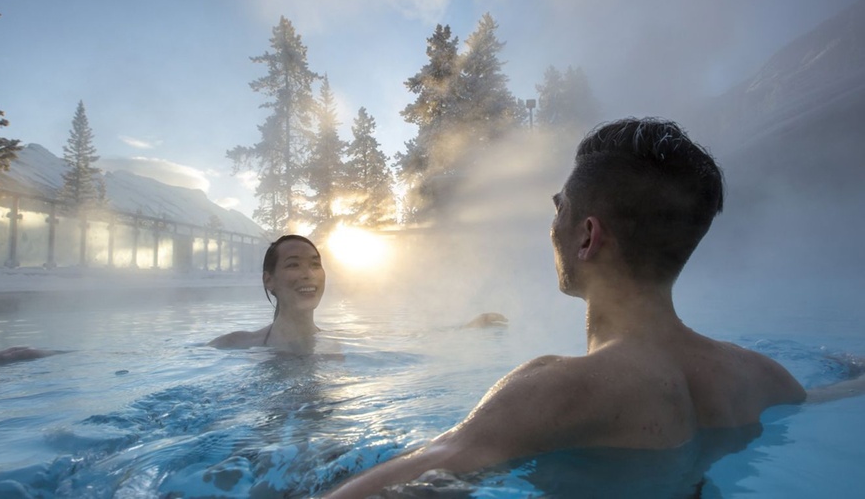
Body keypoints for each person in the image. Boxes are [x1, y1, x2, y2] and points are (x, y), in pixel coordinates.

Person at [322, 118, 864, 498]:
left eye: (559, 209)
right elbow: (827, 396)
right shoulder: (758, 376)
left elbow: (414, 477)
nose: (550, 226)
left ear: (587, 237)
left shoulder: (558, 388)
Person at [208, 234, 332, 354]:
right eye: (293, 265)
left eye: (315, 265)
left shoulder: (336, 345)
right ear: (269, 280)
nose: (309, 274)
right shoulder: (233, 344)